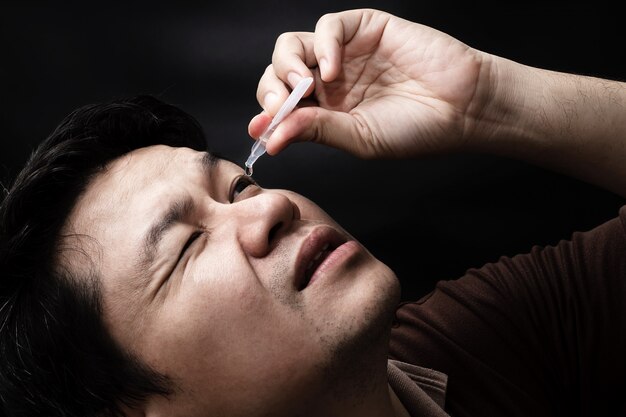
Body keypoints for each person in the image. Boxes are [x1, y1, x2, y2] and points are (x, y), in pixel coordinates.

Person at [0, 7, 624, 417]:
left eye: (236, 188)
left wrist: (491, 101)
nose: (269, 210)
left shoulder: (478, 347)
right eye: (187, 247)